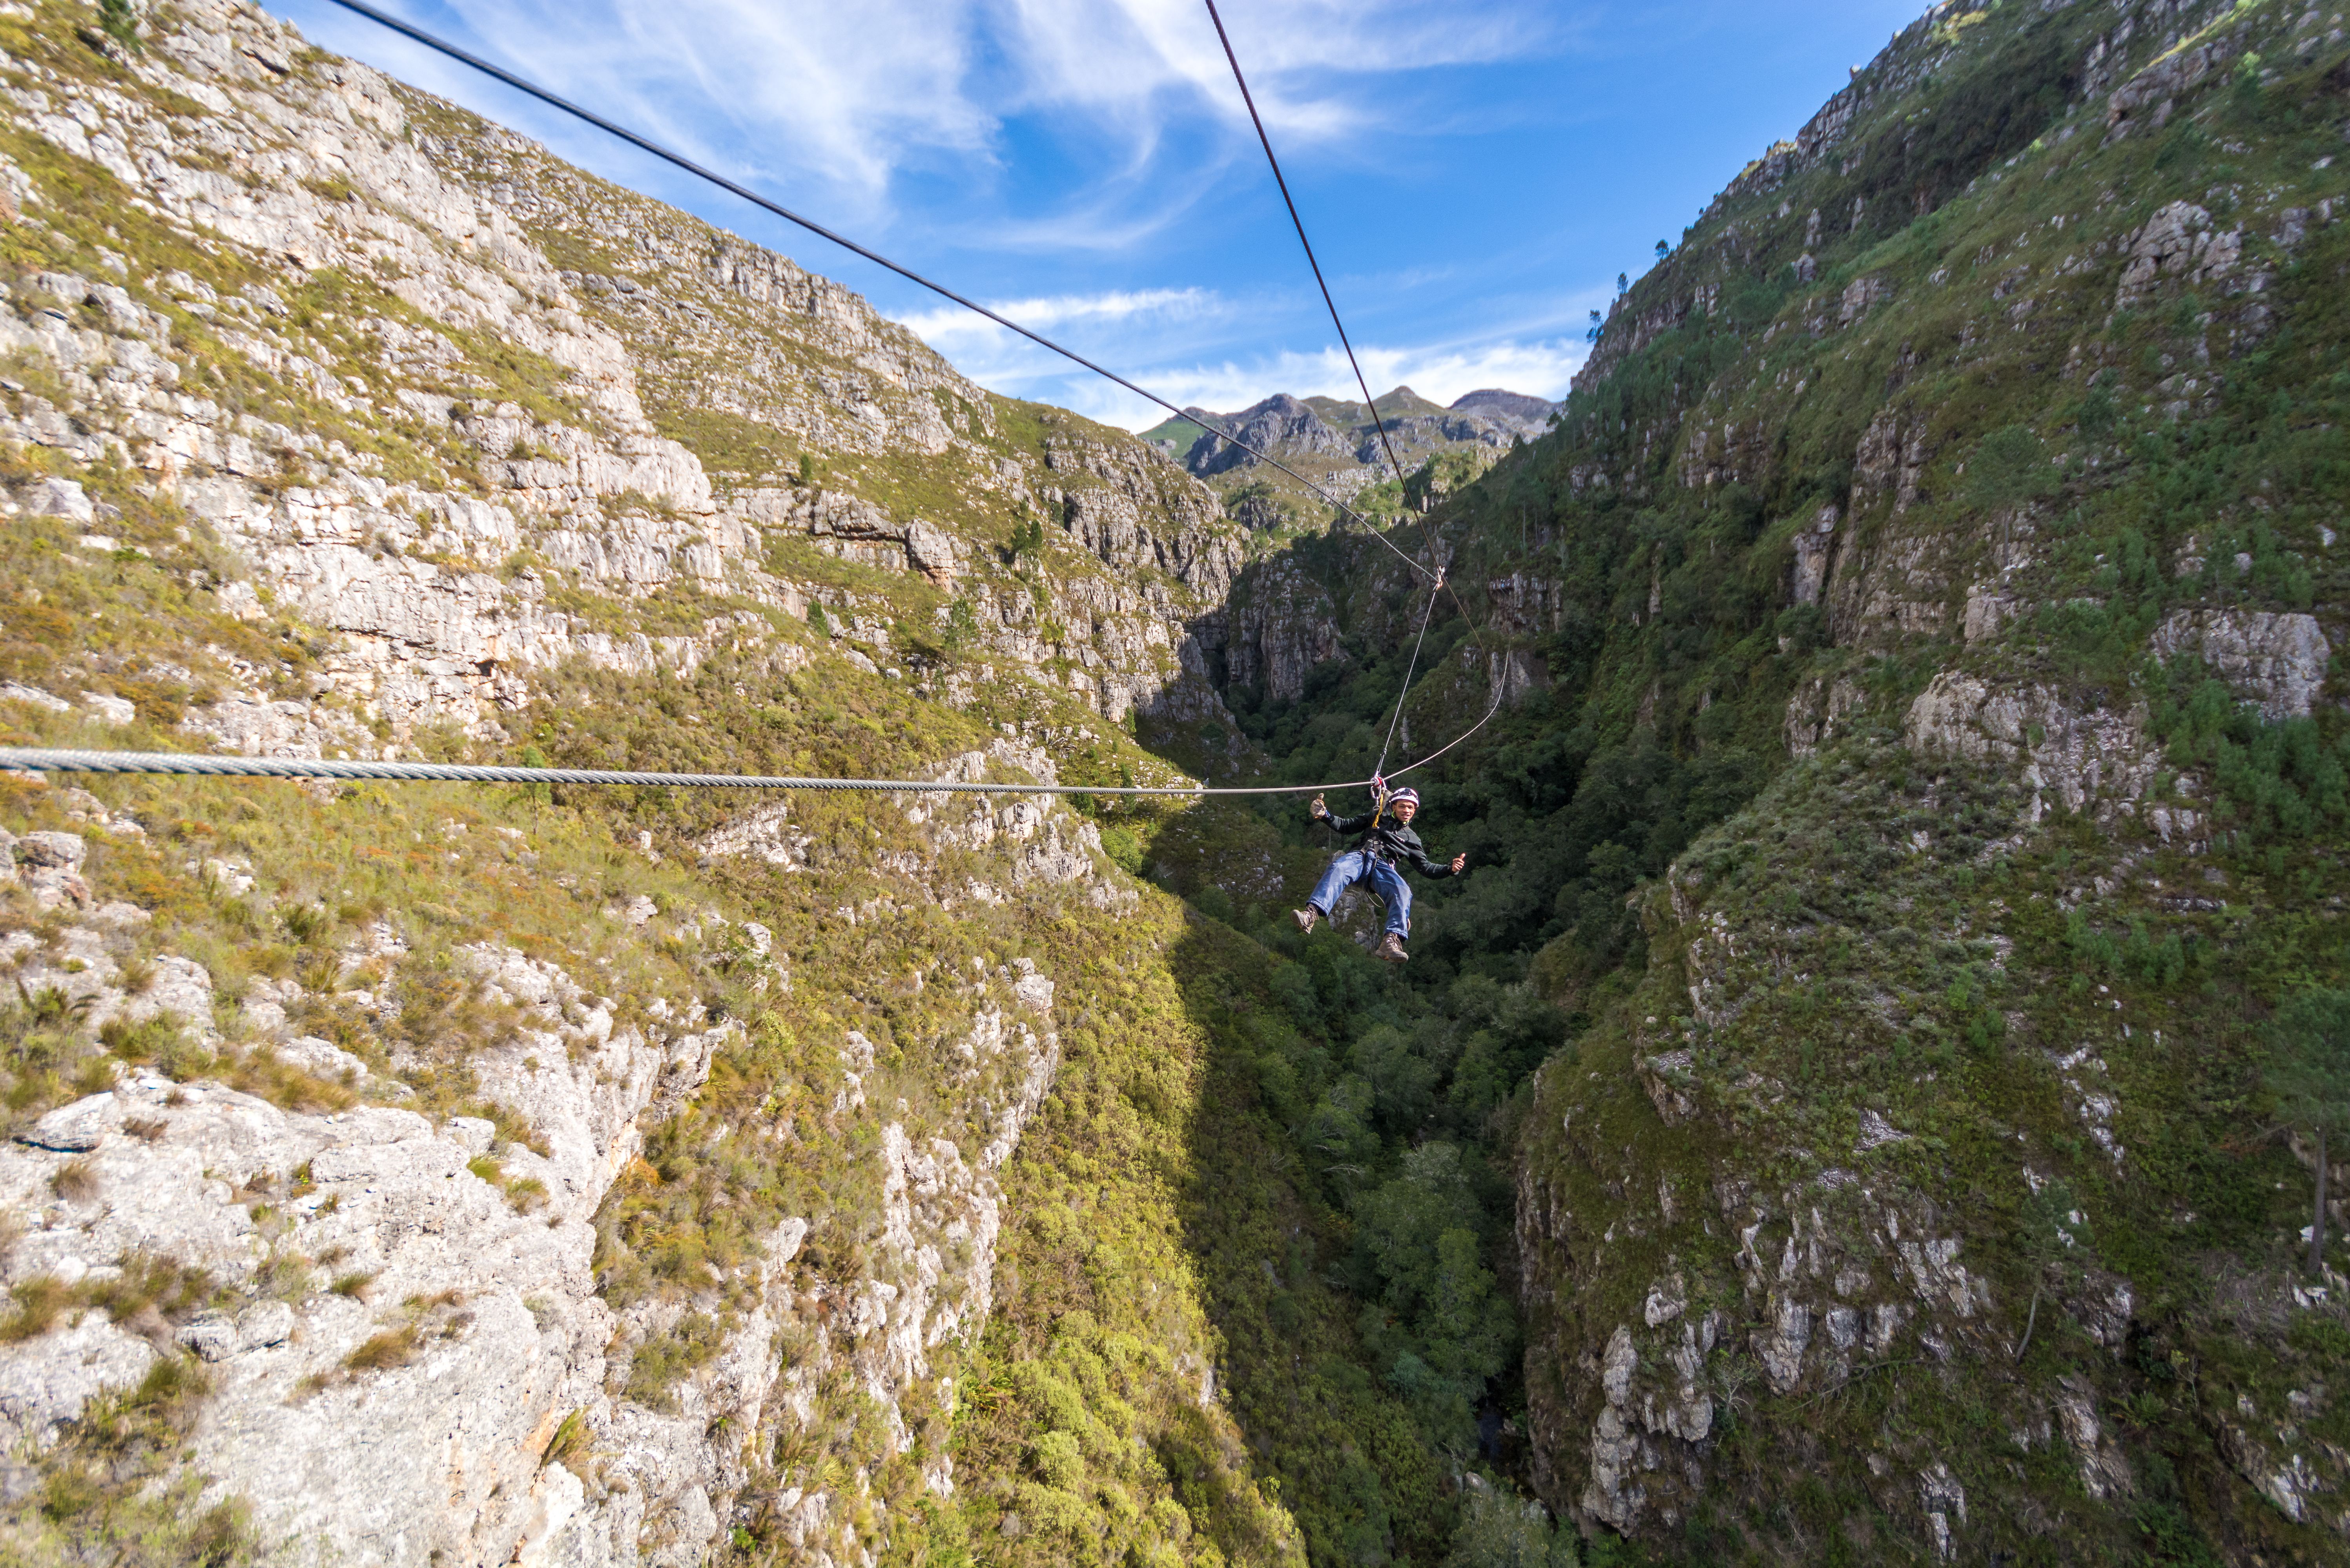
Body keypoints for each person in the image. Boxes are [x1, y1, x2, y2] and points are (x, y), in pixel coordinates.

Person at [1293, 785, 1466, 963]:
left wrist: (1449, 869)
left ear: (1415, 810)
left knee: (1403, 891)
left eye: (1410, 807)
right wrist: (1326, 816)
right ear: (1394, 807)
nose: (1406, 811)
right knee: (1339, 868)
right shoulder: (1377, 817)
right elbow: (1346, 826)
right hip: (1360, 856)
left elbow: (1426, 868)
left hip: (1382, 868)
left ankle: (1392, 941)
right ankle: (1310, 915)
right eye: (1402, 806)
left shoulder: (1412, 839)